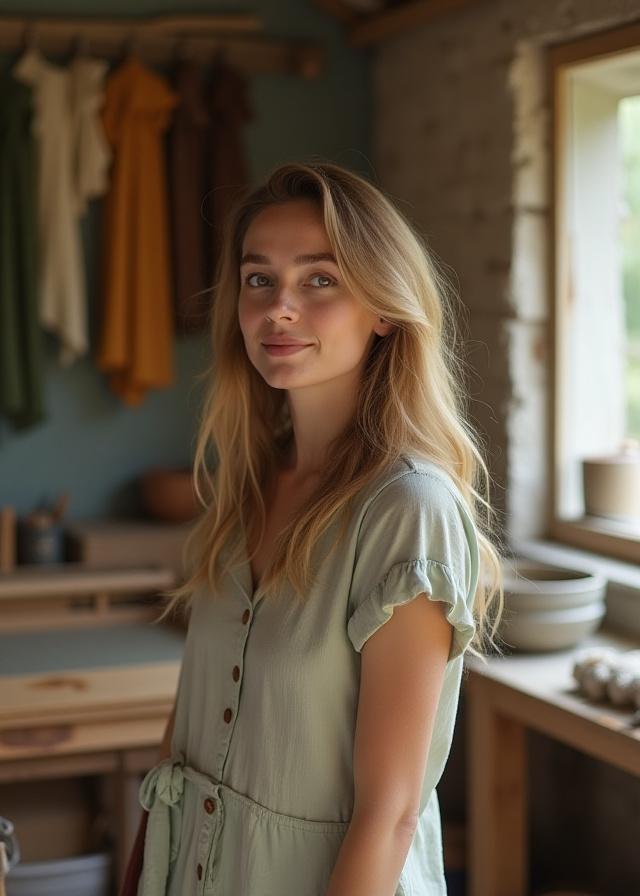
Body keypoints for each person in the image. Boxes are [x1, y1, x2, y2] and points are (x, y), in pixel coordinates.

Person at [120, 161, 504, 896]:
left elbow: (389, 816)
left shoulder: (408, 512)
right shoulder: (245, 486)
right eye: (258, 279)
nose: (278, 309)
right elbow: (186, 727)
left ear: (384, 307)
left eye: (320, 280)